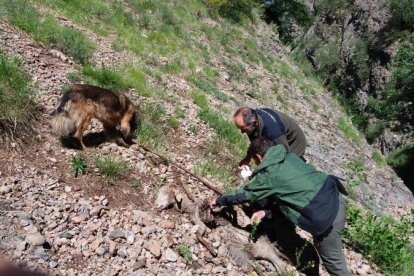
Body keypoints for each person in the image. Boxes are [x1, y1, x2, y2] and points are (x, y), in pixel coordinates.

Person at [209, 137, 349, 276]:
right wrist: (266, 212)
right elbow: (289, 193)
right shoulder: (288, 156)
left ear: (258, 156)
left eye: (255, 161)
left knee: (335, 264)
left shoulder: (270, 173)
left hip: (327, 216)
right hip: (334, 196)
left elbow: (246, 194)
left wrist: (218, 200)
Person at [234, 107, 307, 166]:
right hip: (280, 133)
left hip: (294, 142)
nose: (242, 132)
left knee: (284, 165)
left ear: (254, 123)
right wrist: (248, 157)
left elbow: (284, 154)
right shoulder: (253, 119)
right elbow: (255, 142)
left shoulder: (273, 132)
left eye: (243, 129)